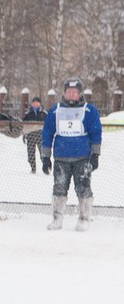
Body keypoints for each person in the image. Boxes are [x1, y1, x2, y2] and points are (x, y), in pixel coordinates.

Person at [41, 77, 102, 231]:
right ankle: (57, 219)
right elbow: (47, 133)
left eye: (75, 92)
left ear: (80, 93)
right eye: (69, 91)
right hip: (61, 158)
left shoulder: (89, 110)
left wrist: (95, 154)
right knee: (59, 188)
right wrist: (45, 156)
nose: (72, 94)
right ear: (64, 93)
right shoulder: (55, 110)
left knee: (83, 188)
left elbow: (96, 132)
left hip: (83, 158)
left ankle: (84, 219)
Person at [23, 97, 47, 174]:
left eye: (37, 102)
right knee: (30, 153)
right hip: (30, 135)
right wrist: (24, 134)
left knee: (43, 152)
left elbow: (48, 125)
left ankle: (46, 168)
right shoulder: (28, 114)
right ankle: (33, 168)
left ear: (40, 104)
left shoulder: (44, 113)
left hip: (41, 135)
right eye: (34, 102)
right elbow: (24, 125)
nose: (35, 104)